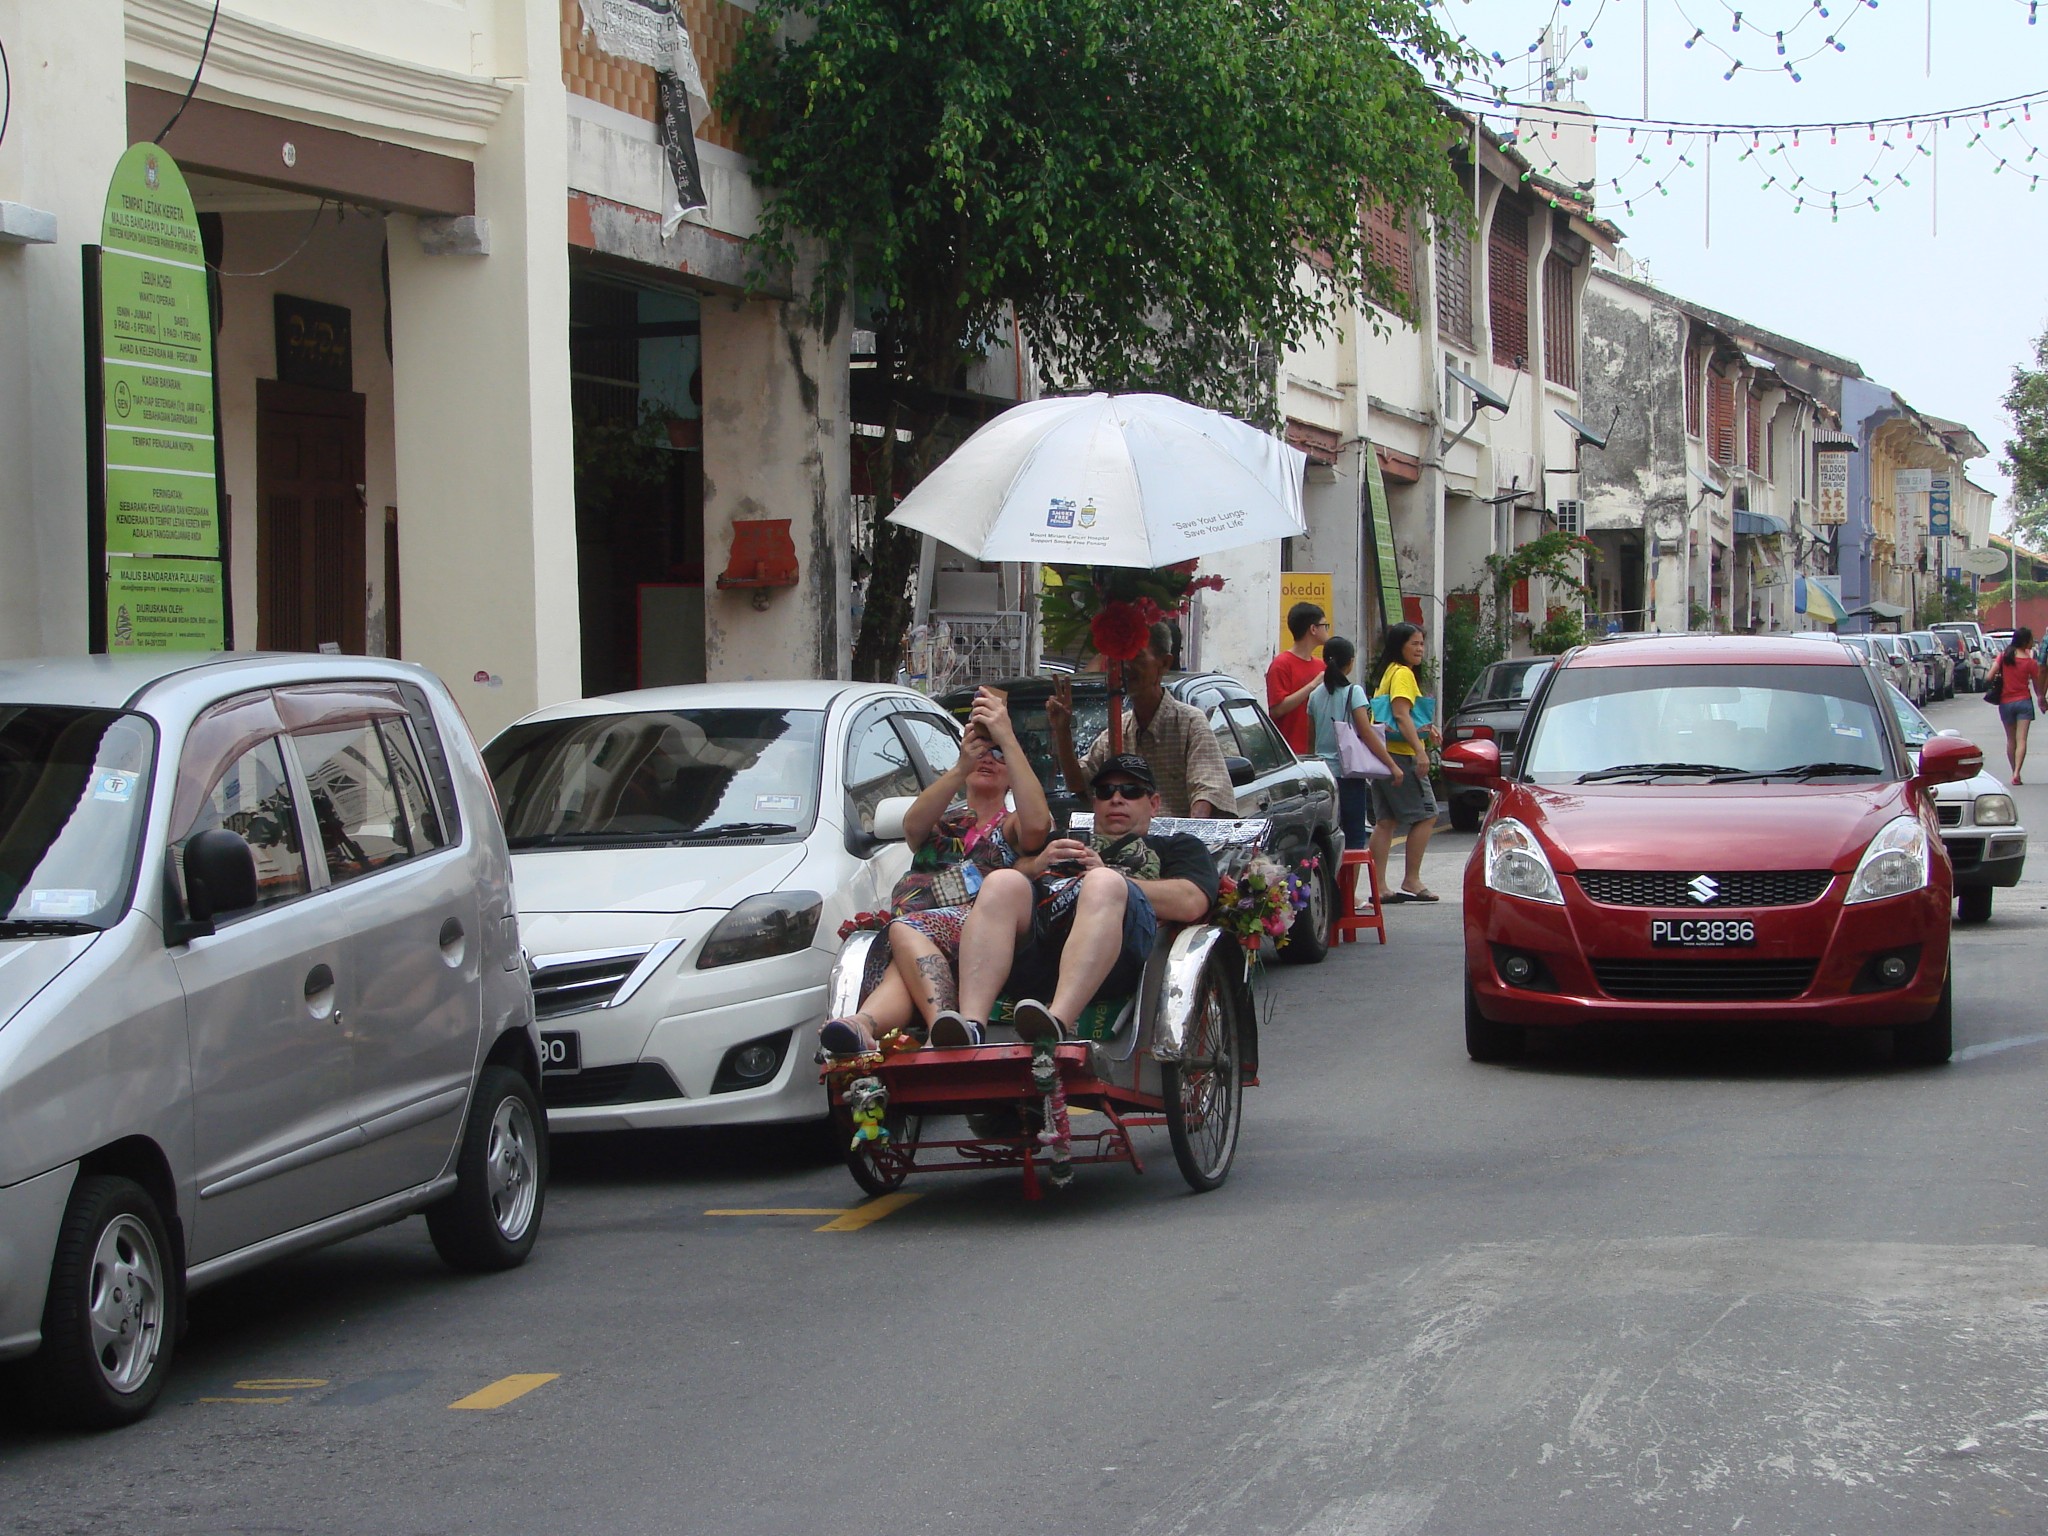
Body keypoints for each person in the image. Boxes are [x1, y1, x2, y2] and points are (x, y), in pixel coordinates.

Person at [820, 687, 1051, 1053]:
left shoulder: (1011, 825)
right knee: (905, 950)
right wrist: (961, 767)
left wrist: (1007, 738)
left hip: (974, 933)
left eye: (998, 756)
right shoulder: (946, 816)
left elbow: (1038, 827)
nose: (988, 759)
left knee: (905, 930)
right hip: (914, 935)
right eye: (981, 752)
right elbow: (913, 827)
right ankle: (862, 1025)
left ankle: (944, 1026)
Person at [941, 754, 1220, 1045]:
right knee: (1001, 881)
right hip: (1042, 948)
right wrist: (1038, 864)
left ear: (1153, 804)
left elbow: (1191, 901)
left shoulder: (1177, 846)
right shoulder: (1062, 840)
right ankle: (972, 1025)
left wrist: (1106, 874)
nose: (1116, 799)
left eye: (1131, 791)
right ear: (1094, 803)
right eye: (1105, 792)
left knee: (1103, 882)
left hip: (1122, 955)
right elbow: (1014, 871)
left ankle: (1057, 1022)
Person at [1048, 622, 1237, 817]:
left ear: (1163, 663)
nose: (1126, 667)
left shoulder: (1190, 724)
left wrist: (1187, 839)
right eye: (1121, 659)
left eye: (1136, 657)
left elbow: (1206, 791)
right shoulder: (1117, 732)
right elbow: (1079, 782)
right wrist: (1063, 731)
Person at [1306, 635, 1403, 851]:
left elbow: (1310, 742)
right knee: (1354, 839)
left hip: (1323, 776)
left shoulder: (1314, 696)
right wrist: (1392, 765)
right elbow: (1366, 733)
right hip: (1348, 773)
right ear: (1350, 662)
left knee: (1330, 839)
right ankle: (1350, 886)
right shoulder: (1354, 691)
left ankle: (1334, 884)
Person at [1368, 622, 1441, 902]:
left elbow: (1399, 716)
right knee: (1427, 814)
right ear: (1400, 646)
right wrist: (1420, 751)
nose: (1420, 649)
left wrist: (1425, 729)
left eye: (1422, 643)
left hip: (1384, 754)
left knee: (1386, 821)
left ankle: (1379, 886)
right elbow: (1400, 715)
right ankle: (1411, 879)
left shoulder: (1388, 672)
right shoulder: (1403, 675)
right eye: (1414, 643)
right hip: (1401, 754)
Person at [1267, 602, 1330, 756]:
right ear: (1313, 629)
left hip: (1318, 752)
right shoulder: (1281, 664)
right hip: (1290, 752)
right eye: (1325, 625)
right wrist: (1312, 685)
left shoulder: (1322, 665)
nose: (1327, 631)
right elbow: (1276, 710)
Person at [1989, 626, 2046, 784]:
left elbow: (1989, 676)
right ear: (2025, 641)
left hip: (2005, 703)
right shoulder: (2030, 662)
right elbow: (2037, 685)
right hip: (2024, 702)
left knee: (2010, 739)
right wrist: (2041, 698)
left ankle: (2013, 769)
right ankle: (2017, 772)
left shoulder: (2003, 657)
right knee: (2022, 739)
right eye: (2030, 639)